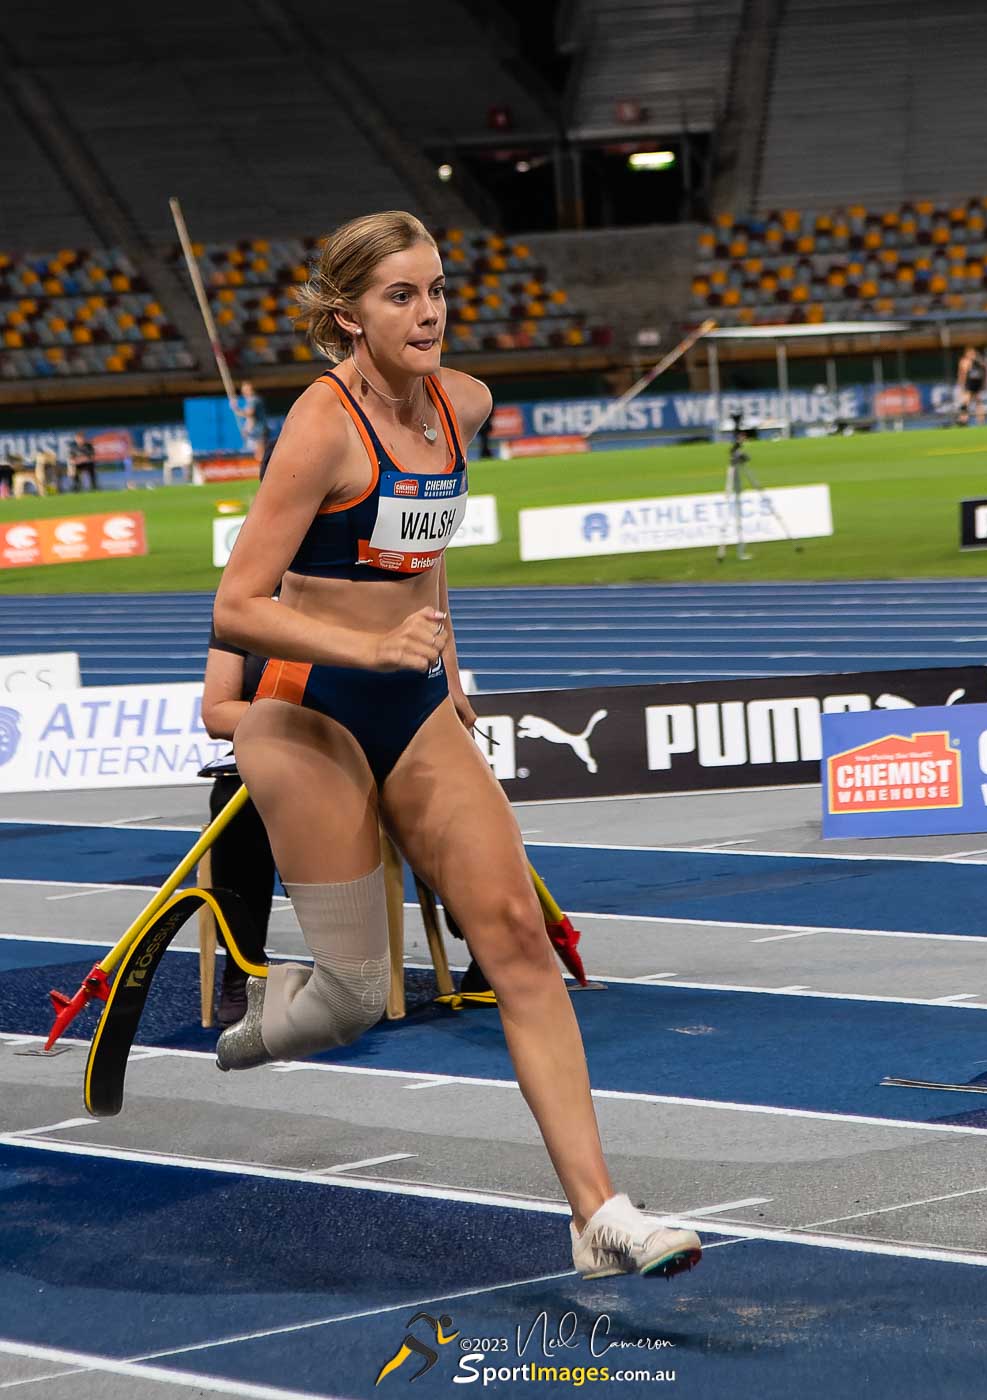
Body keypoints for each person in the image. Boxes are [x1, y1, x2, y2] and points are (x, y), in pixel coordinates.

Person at [212, 210, 700, 1280]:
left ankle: (597, 1212)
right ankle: (265, 1021)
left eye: (436, 289)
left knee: (519, 941)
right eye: (400, 295)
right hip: (308, 708)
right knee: (347, 995)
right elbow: (237, 607)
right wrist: (370, 642)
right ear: (348, 315)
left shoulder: (462, 402)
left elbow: (423, 549)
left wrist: (448, 666)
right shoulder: (320, 426)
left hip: (413, 700)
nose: (428, 312)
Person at [200, 621, 274, 1024]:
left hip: (351, 756)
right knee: (234, 805)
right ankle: (243, 967)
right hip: (273, 755)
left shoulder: (355, 589)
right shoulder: (246, 602)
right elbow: (216, 713)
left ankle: (486, 952)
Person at [236, 379, 269, 465]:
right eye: (244, 390)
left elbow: (250, 413)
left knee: (261, 453)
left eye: (247, 390)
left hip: (260, 430)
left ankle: (264, 471)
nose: (245, 392)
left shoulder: (254, 400)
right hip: (256, 431)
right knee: (257, 453)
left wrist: (237, 410)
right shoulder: (250, 401)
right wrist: (246, 429)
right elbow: (251, 419)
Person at [956, 346, 987, 425]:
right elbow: (962, 374)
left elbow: (963, 374)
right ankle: (968, 419)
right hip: (973, 382)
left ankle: (967, 419)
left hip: (973, 382)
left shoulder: (973, 361)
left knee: (971, 402)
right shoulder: (971, 361)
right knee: (972, 401)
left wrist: (962, 384)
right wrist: (984, 382)